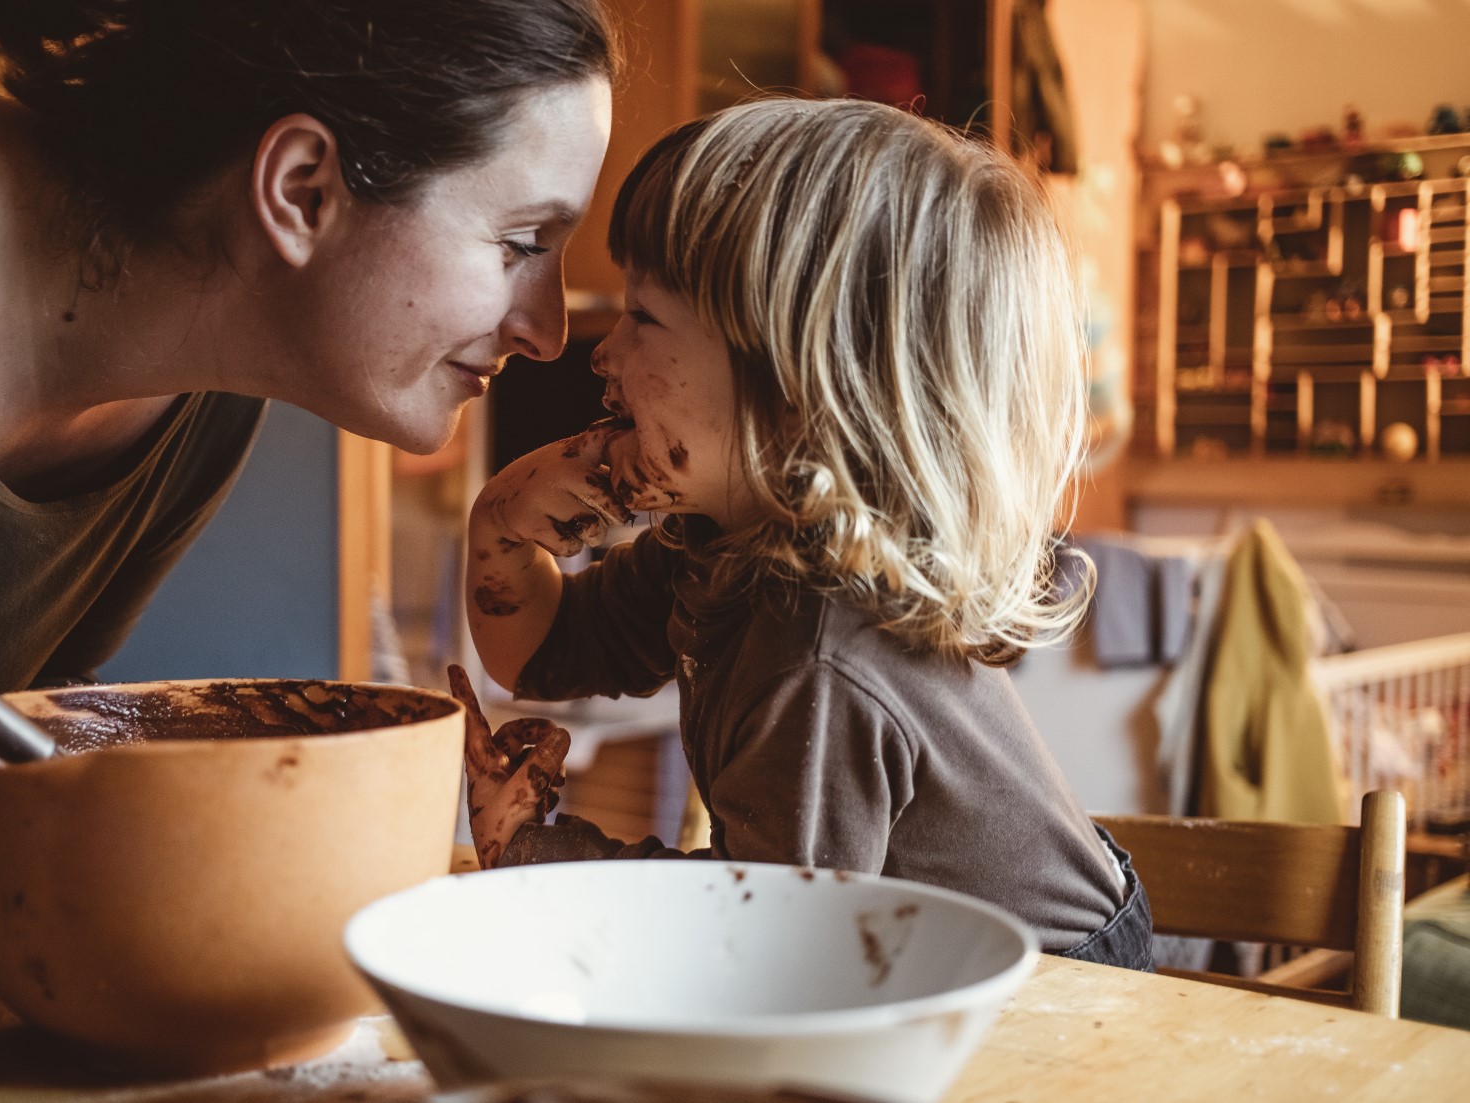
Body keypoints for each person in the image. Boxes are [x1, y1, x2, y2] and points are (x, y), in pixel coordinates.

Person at [0, 0, 618, 963]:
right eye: (521, 244)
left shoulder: (205, 394)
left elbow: (40, 734)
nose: (549, 330)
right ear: (303, 190)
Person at [455, 96, 1153, 970]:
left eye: (644, 317)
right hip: (890, 966)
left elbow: (765, 952)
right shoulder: (719, 544)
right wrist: (502, 525)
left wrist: (536, 854)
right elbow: (542, 653)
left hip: (1058, 999)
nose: (600, 354)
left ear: (795, 387)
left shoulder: (819, 650)